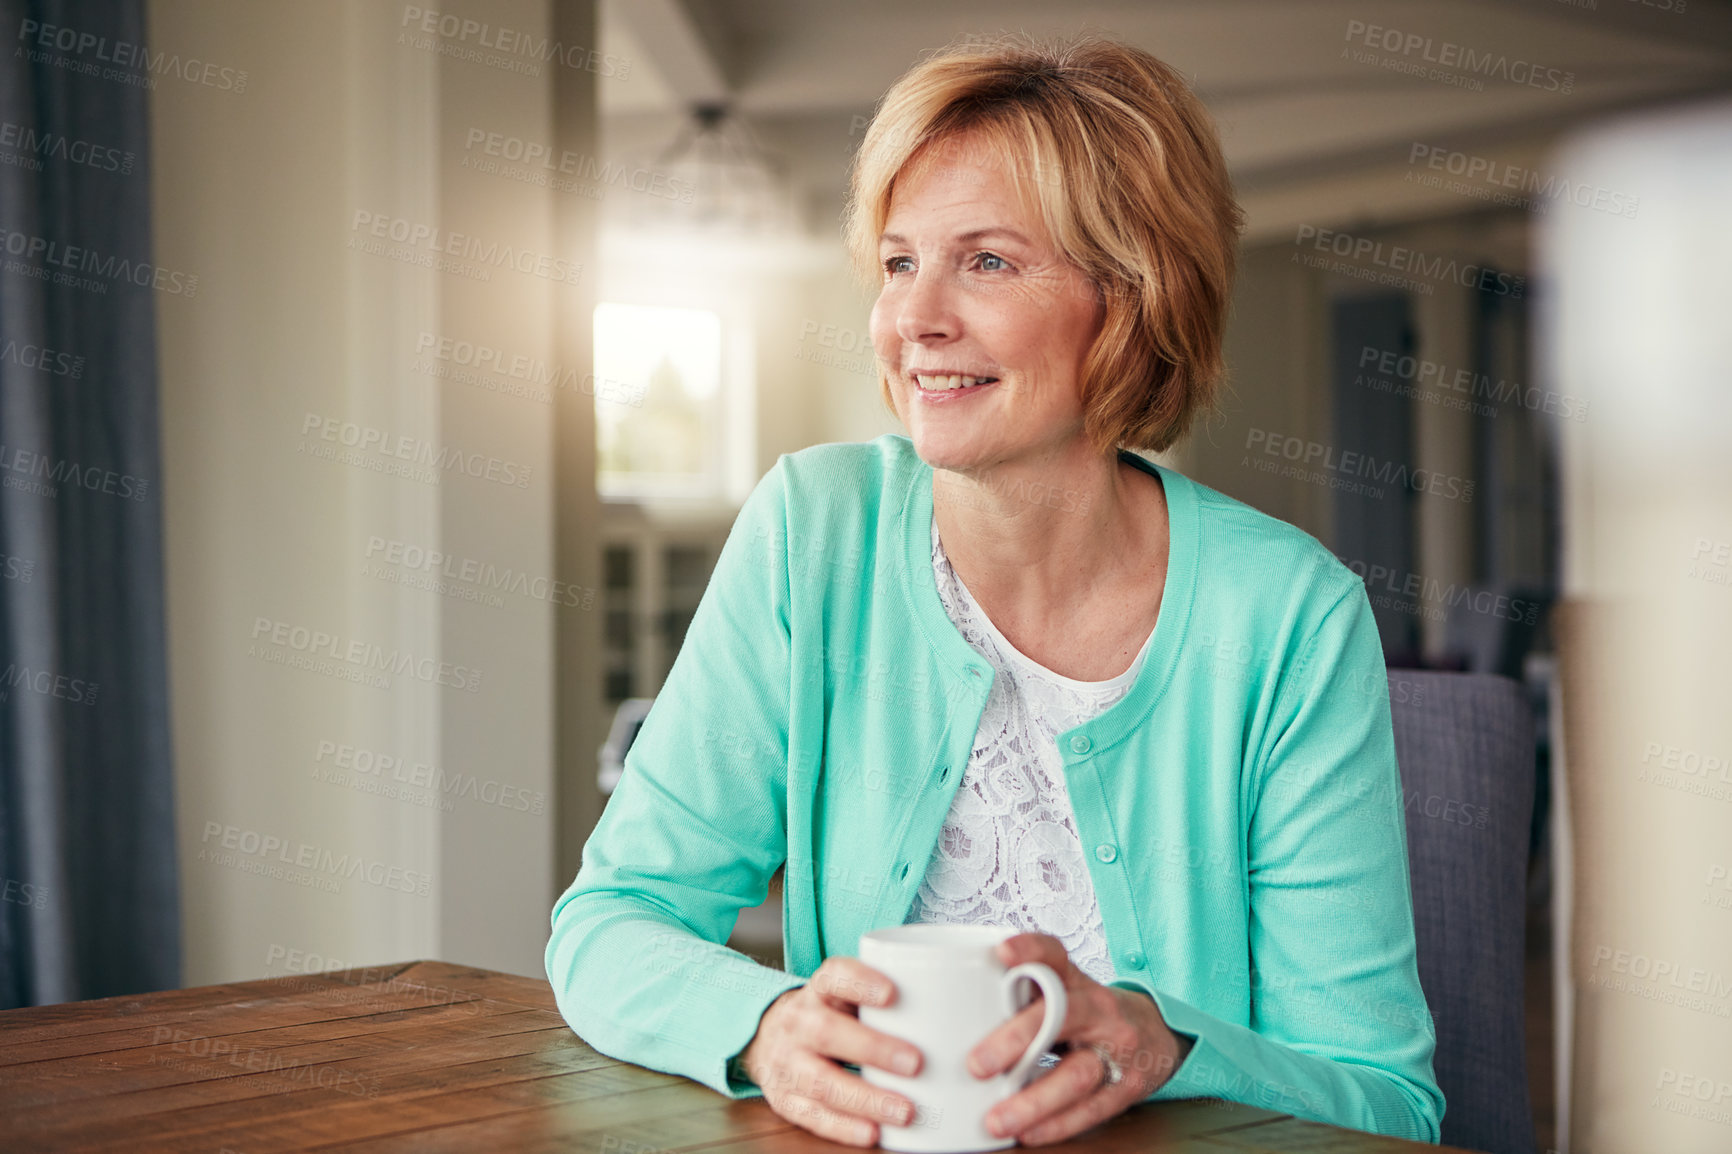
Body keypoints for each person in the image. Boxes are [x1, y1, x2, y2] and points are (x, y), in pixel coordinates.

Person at [547, 32, 1443, 1147]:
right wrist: (766, 1022)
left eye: (987, 262)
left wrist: (1167, 1049)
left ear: (1130, 297)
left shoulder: (1288, 616)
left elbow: (1385, 1100)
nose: (912, 319)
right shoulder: (811, 531)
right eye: (895, 261)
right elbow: (610, 918)